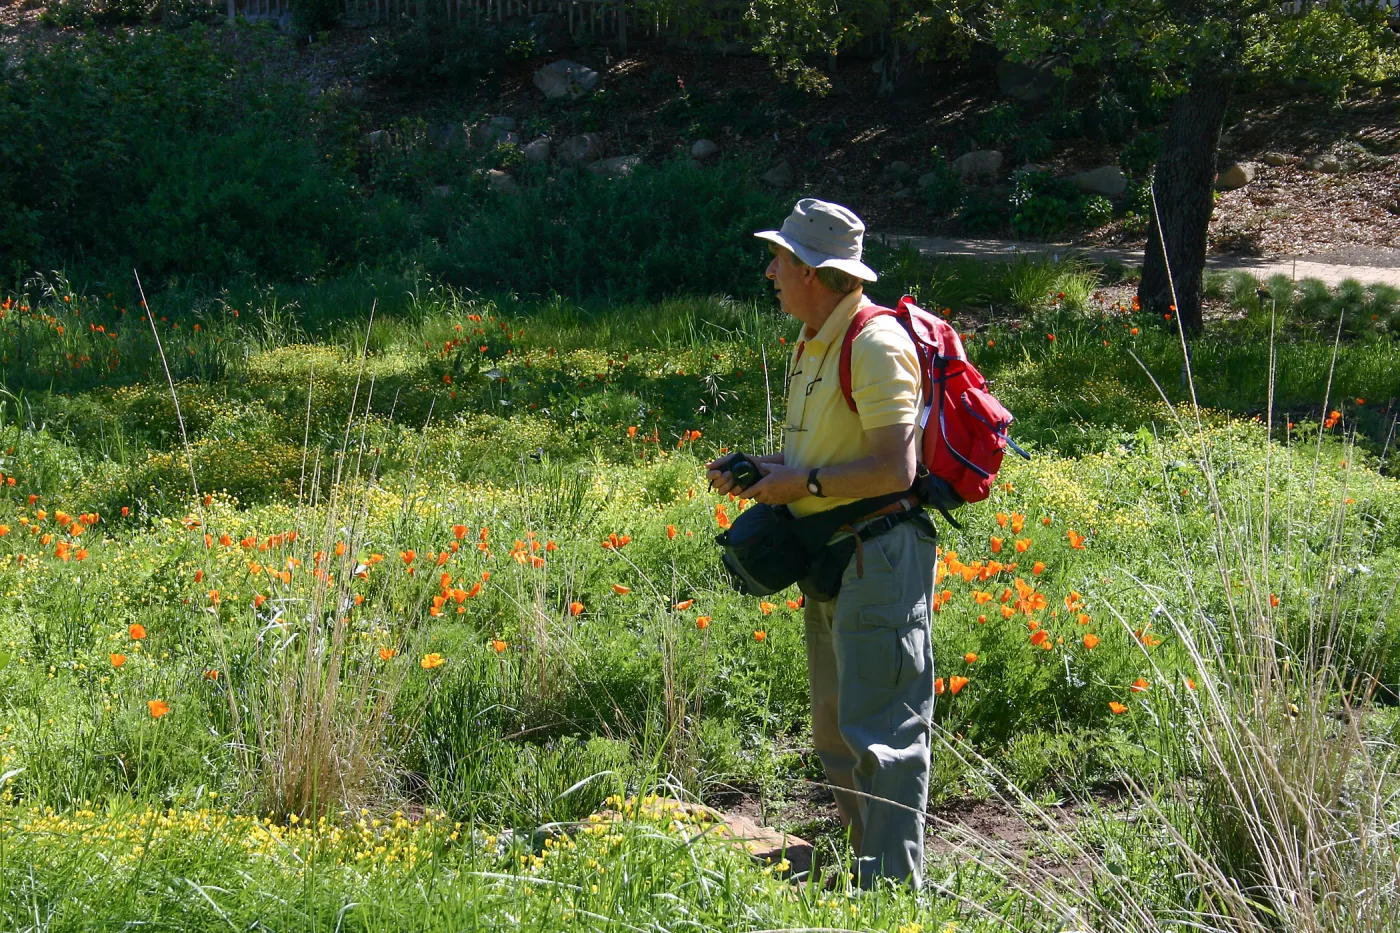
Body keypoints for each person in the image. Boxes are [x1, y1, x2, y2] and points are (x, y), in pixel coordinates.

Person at [706, 198, 937, 888]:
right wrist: (768, 471)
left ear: (813, 269)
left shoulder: (875, 344)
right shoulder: (816, 339)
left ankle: (893, 898)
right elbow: (829, 454)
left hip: (879, 555)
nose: (770, 270)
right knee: (838, 733)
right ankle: (869, 876)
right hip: (834, 556)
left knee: (885, 739)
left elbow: (897, 468)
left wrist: (798, 479)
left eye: (780, 259)